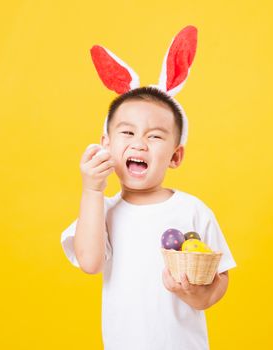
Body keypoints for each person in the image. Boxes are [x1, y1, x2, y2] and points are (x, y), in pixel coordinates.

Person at [60, 26, 236, 350]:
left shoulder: (193, 211)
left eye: (155, 136)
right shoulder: (103, 210)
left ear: (175, 155)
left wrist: (198, 294)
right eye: (127, 133)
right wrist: (92, 191)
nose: (140, 143)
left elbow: (219, 278)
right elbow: (90, 262)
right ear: (106, 145)